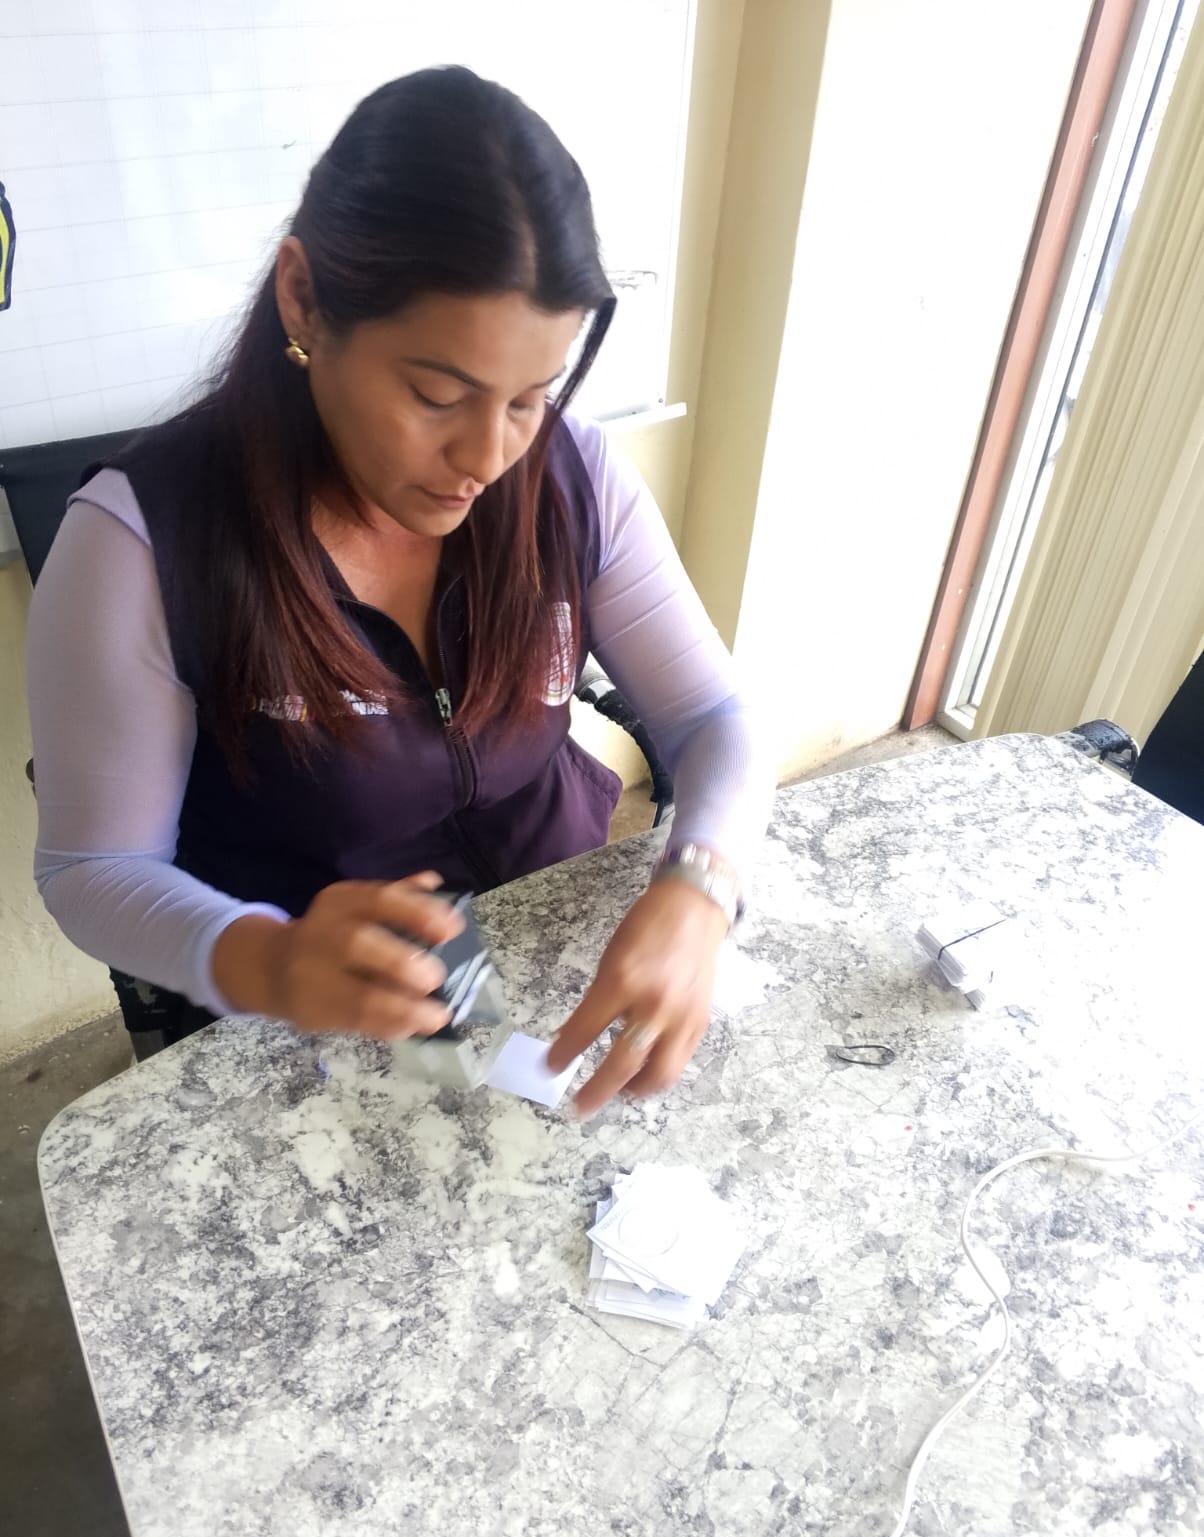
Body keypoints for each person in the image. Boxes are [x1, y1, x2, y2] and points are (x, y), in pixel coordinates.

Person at [26, 67, 771, 1116]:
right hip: (320, 1009)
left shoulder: (570, 474)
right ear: (302, 299)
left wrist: (699, 884)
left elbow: (712, 715)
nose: (488, 458)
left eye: (530, 397)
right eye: (436, 394)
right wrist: (265, 958)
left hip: (545, 947)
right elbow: (94, 867)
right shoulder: (143, 541)